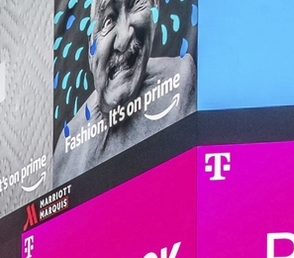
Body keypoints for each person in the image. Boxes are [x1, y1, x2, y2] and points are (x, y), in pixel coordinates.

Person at [49, 0, 195, 184]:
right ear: (90, 48)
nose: (124, 39)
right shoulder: (67, 147)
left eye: (137, 4)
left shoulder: (184, 78)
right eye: (108, 21)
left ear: (154, 12)